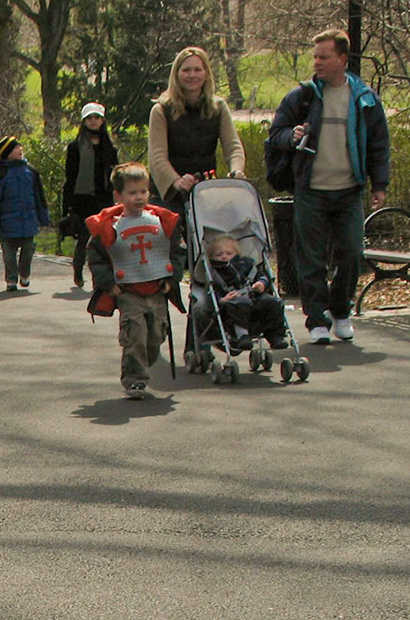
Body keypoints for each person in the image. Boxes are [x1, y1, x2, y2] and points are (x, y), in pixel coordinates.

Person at [266, 27, 390, 344]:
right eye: (315, 56)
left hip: (349, 191)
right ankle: (317, 319)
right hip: (311, 190)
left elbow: (379, 144)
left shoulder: (364, 99)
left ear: (342, 59)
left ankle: (341, 311)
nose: (317, 62)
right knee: (311, 257)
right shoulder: (303, 96)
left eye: (324, 56)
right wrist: (290, 136)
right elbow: (275, 135)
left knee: (352, 252)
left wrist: (380, 184)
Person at [85, 163, 181, 399]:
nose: (139, 197)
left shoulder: (162, 222)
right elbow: (96, 257)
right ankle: (135, 380)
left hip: (156, 289)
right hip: (128, 292)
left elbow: (176, 251)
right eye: (132, 193)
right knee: (135, 335)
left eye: (143, 191)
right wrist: (108, 284)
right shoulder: (110, 227)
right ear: (118, 196)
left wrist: (173, 278)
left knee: (156, 335)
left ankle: (143, 362)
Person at [147, 46, 244, 213]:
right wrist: (177, 182)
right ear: (177, 74)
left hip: (205, 190)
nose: (192, 75)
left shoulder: (218, 107)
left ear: (206, 74)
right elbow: (157, 157)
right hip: (169, 195)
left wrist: (237, 171)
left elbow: (233, 147)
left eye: (197, 70)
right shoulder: (161, 110)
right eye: (186, 70)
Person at [61, 103, 118, 290]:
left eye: (97, 118)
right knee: (85, 238)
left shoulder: (109, 146)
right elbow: (70, 177)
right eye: (90, 118)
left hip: (104, 198)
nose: (93, 121)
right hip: (82, 199)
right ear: (84, 121)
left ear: (102, 120)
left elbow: (116, 173)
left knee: (104, 239)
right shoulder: (75, 147)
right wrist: (68, 206)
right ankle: (78, 269)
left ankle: (99, 278)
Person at [202, 233, 289, 352]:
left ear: (236, 254)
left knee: (273, 302)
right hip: (233, 301)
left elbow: (262, 276)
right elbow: (212, 290)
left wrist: (261, 283)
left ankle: (275, 335)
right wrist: (222, 299)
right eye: (219, 254)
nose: (224, 257)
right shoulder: (214, 272)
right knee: (239, 304)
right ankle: (242, 335)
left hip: (253, 295)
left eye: (229, 253)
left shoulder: (246, 264)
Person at [0, 136, 51, 291]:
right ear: (7, 153)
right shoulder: (0, 174)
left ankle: (25, 274)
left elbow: (39, 196)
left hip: (28, 221)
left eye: (20, 147)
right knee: (9, 256)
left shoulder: (31, 171)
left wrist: (43, 216)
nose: (20, 150)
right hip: (8, 223)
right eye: (15, 148)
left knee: (28, 251)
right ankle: (11, 279)